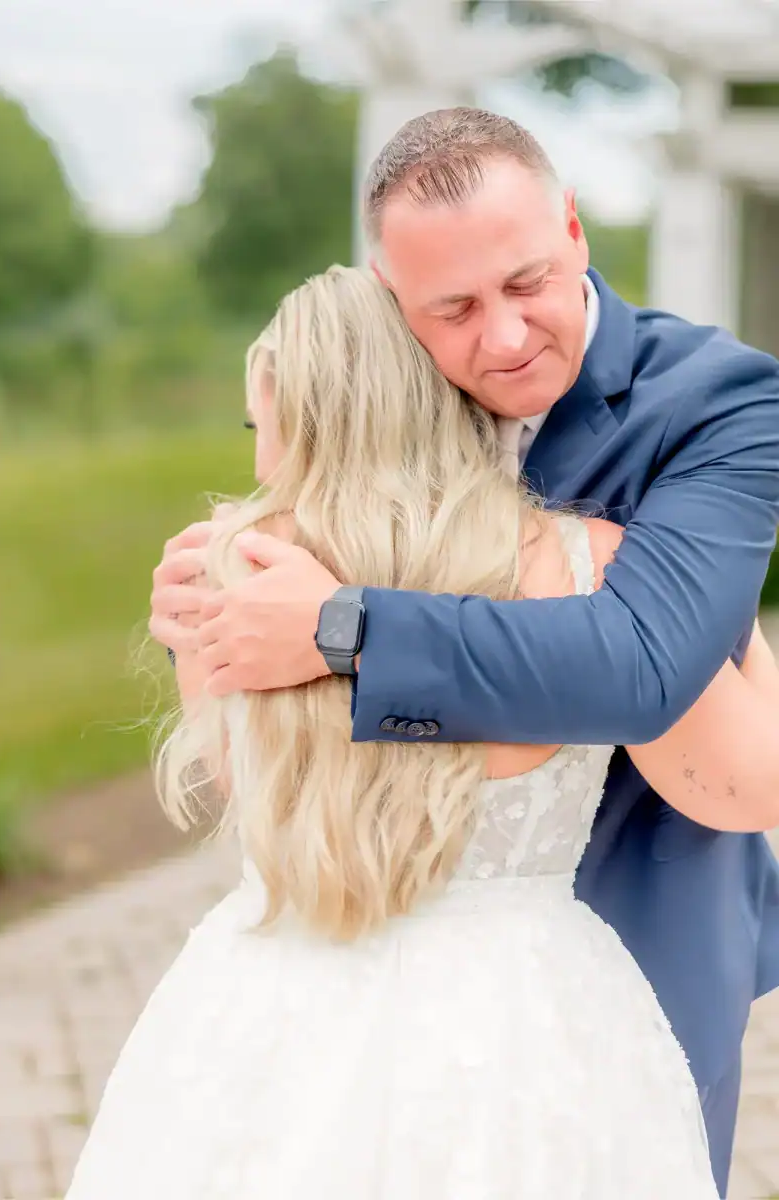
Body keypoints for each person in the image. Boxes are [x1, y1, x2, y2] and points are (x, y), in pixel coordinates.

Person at [149, 109, 779, 1197]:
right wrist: (210, 620)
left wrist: (340, 629)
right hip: (364, 941)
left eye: (525, 281)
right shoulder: (377, 403)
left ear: (573, 231)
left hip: (643, 923)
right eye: (452, 309)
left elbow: (639, 664)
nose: (500, 338)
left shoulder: (718, 403)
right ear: (397, 305)